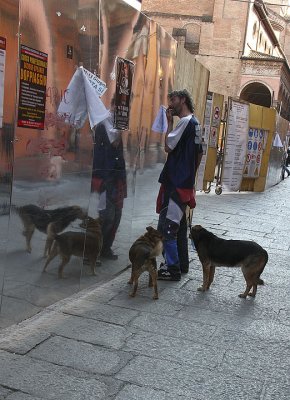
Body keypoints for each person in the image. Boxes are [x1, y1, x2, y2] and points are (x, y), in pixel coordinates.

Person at [156, 89, 203, 281]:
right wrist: (190, 175)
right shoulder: (196, 122)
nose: (171, 104)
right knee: (180, 226)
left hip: (175, 183)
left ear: (183, 100)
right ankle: (182, 264)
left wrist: (168, 123)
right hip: (184, 182)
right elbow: (199, 153)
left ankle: (172, 268)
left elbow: (168, 146)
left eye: (173, 99)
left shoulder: (184, 122)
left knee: (167, 229)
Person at [91, 98, 127, 260]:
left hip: (116, 176)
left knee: (117, 215)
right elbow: (112, 144)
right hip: (104, 176)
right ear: (114, 106)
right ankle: (94, 251)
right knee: (106, 216)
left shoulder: (117, 123)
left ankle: (106, 248)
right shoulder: (104, 122)